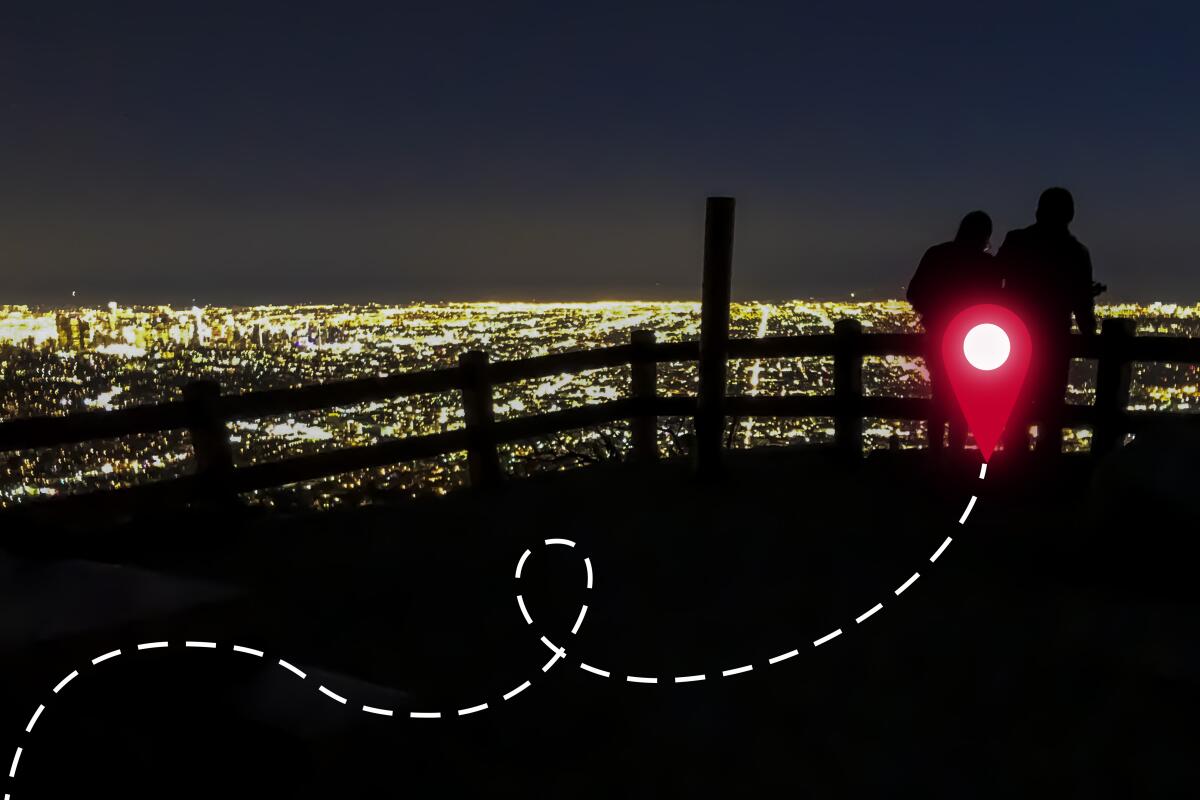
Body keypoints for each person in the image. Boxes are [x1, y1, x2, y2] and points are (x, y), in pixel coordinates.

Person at [996, 187, 1099, 456]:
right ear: (1070, 215)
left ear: (1038, 211)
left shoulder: (1016, 241)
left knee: (1014, 402)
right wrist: (1090, 335)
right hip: (1054, 339)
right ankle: (1045, 465)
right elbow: (1081, 302)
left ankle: (1012, 462)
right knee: (1051, 405)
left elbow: (993, 282)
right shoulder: (1076, 252)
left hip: (1014, 335)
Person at [907, 210, 1001, 452]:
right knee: (963, 401)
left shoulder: (937, 254)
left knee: (940, 397)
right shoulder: (988, 266)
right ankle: (955, 454)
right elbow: (997, 302)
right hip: (972, 341)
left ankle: (936, 455)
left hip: (938, 335)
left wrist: (934, 312)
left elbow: (913, 293)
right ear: (986, 236)